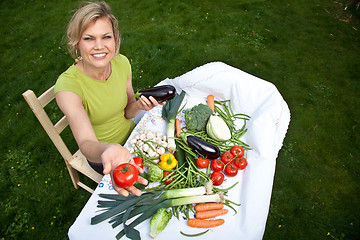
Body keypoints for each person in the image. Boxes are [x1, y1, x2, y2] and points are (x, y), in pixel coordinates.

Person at [54, 1, 162, 196]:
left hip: (133, 137)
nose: (99, 46)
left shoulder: (121, 63)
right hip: (103, 156)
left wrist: (138, 105)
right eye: (89, 38)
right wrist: (109, 150)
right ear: (77, 43)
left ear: (115, 39)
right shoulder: (68, 88)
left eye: (106, 37)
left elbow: (127, 112)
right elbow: (86, 144)